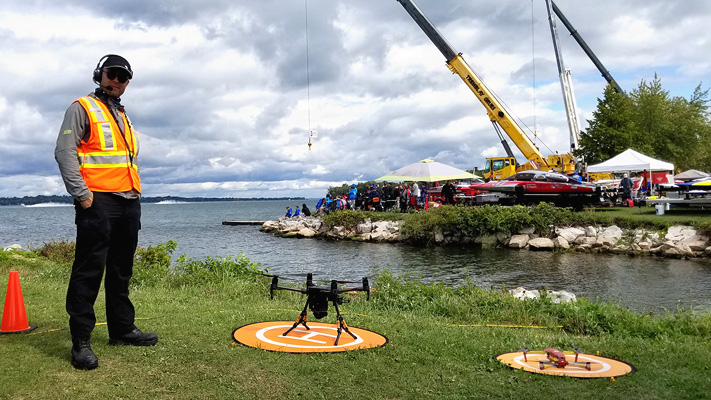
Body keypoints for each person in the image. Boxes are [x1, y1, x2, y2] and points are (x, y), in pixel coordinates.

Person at [54, 54, 157, 370]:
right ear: (100, 75)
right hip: (97, 202)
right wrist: (83, 197)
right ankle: (81, 342)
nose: (117, 81)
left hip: (128, 201)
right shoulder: (82, 108)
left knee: (121, 270)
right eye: (112, 74)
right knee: (89, 271)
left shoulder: (122, 115)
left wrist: (134, 196)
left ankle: (122, 330)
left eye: (123, 78)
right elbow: (64, 152)